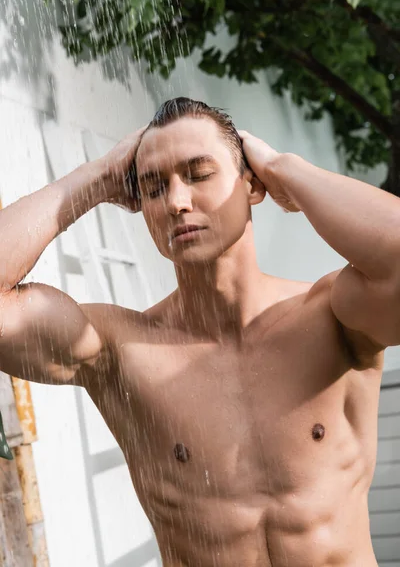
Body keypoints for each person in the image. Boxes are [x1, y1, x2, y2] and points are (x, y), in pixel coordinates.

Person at [0, 96, 399, 567]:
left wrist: (286, 169)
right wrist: (99, 177)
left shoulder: (332, 318)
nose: (176, 202)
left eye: (198, 173)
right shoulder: (120, 349)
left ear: (253, 186)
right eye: (153, 188)